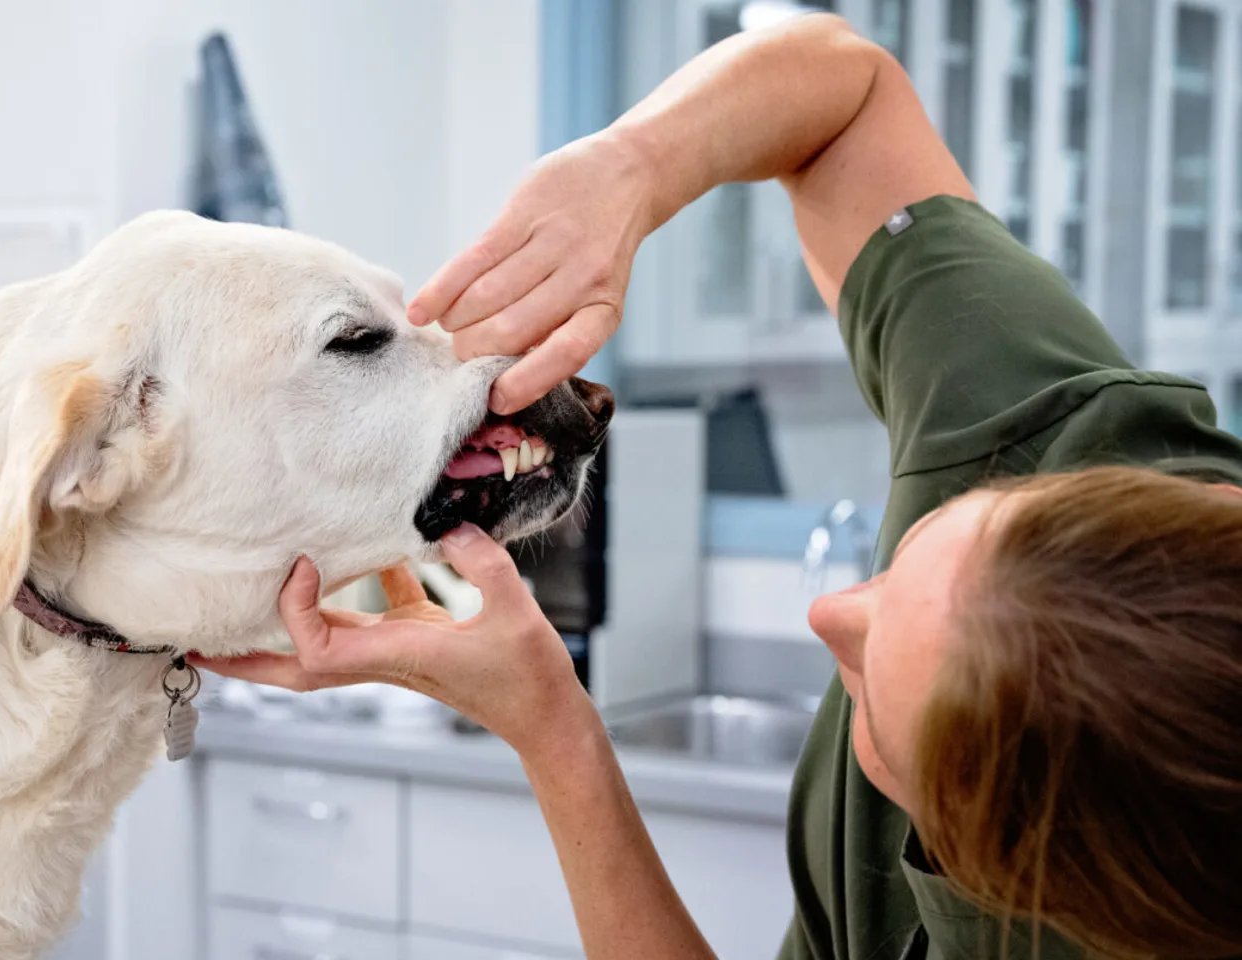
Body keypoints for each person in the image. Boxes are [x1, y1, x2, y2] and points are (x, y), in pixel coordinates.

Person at [195, 13, 1242, 960]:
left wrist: (551, 734)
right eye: (915, 556)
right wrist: (632, 169)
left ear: (996, 877)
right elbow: (848, 95)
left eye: (874, 702)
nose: (828, 616)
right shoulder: (1048, 424)